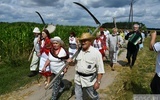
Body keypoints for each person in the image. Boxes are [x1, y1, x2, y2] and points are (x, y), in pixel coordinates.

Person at [67, 33, 105, 100]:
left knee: (93, 97)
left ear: (90, 41)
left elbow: (100, 70)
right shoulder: (78, 51)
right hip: (78, 79)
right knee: (78, 97)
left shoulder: (96, 53)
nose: (83, 42)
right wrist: (70, 62)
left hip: (89, 81)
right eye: (82, 41)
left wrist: (98, 82)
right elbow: (74, 63)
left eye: (85, 40)